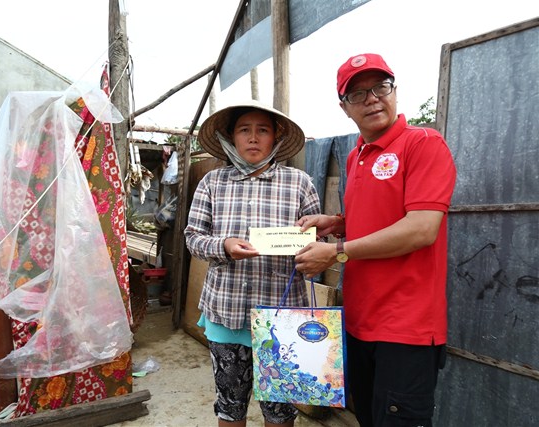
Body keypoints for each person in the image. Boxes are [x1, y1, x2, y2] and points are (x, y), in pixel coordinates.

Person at [294, 53, 457, 427]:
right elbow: (378, 218)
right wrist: (337, 223)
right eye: (357, 94)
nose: (371, 99)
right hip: (359, 322)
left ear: (394, 91)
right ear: (344, 107)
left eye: (380, 87)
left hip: (406, 329)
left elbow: (421, 228)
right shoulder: (356, 157)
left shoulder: (423, 143)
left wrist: (336, 252)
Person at [185, 100, 321, 427]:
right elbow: (192, 237)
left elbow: (319, 240)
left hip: (281, 318)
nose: (253, 137)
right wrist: (224, 246)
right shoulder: (212, 183)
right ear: (231, 137)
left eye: (263, 130)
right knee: (230, 407)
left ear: (276, 137)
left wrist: (311, 255)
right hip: (226, 313)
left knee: (280, 412)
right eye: (244, 130)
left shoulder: (299, 183)